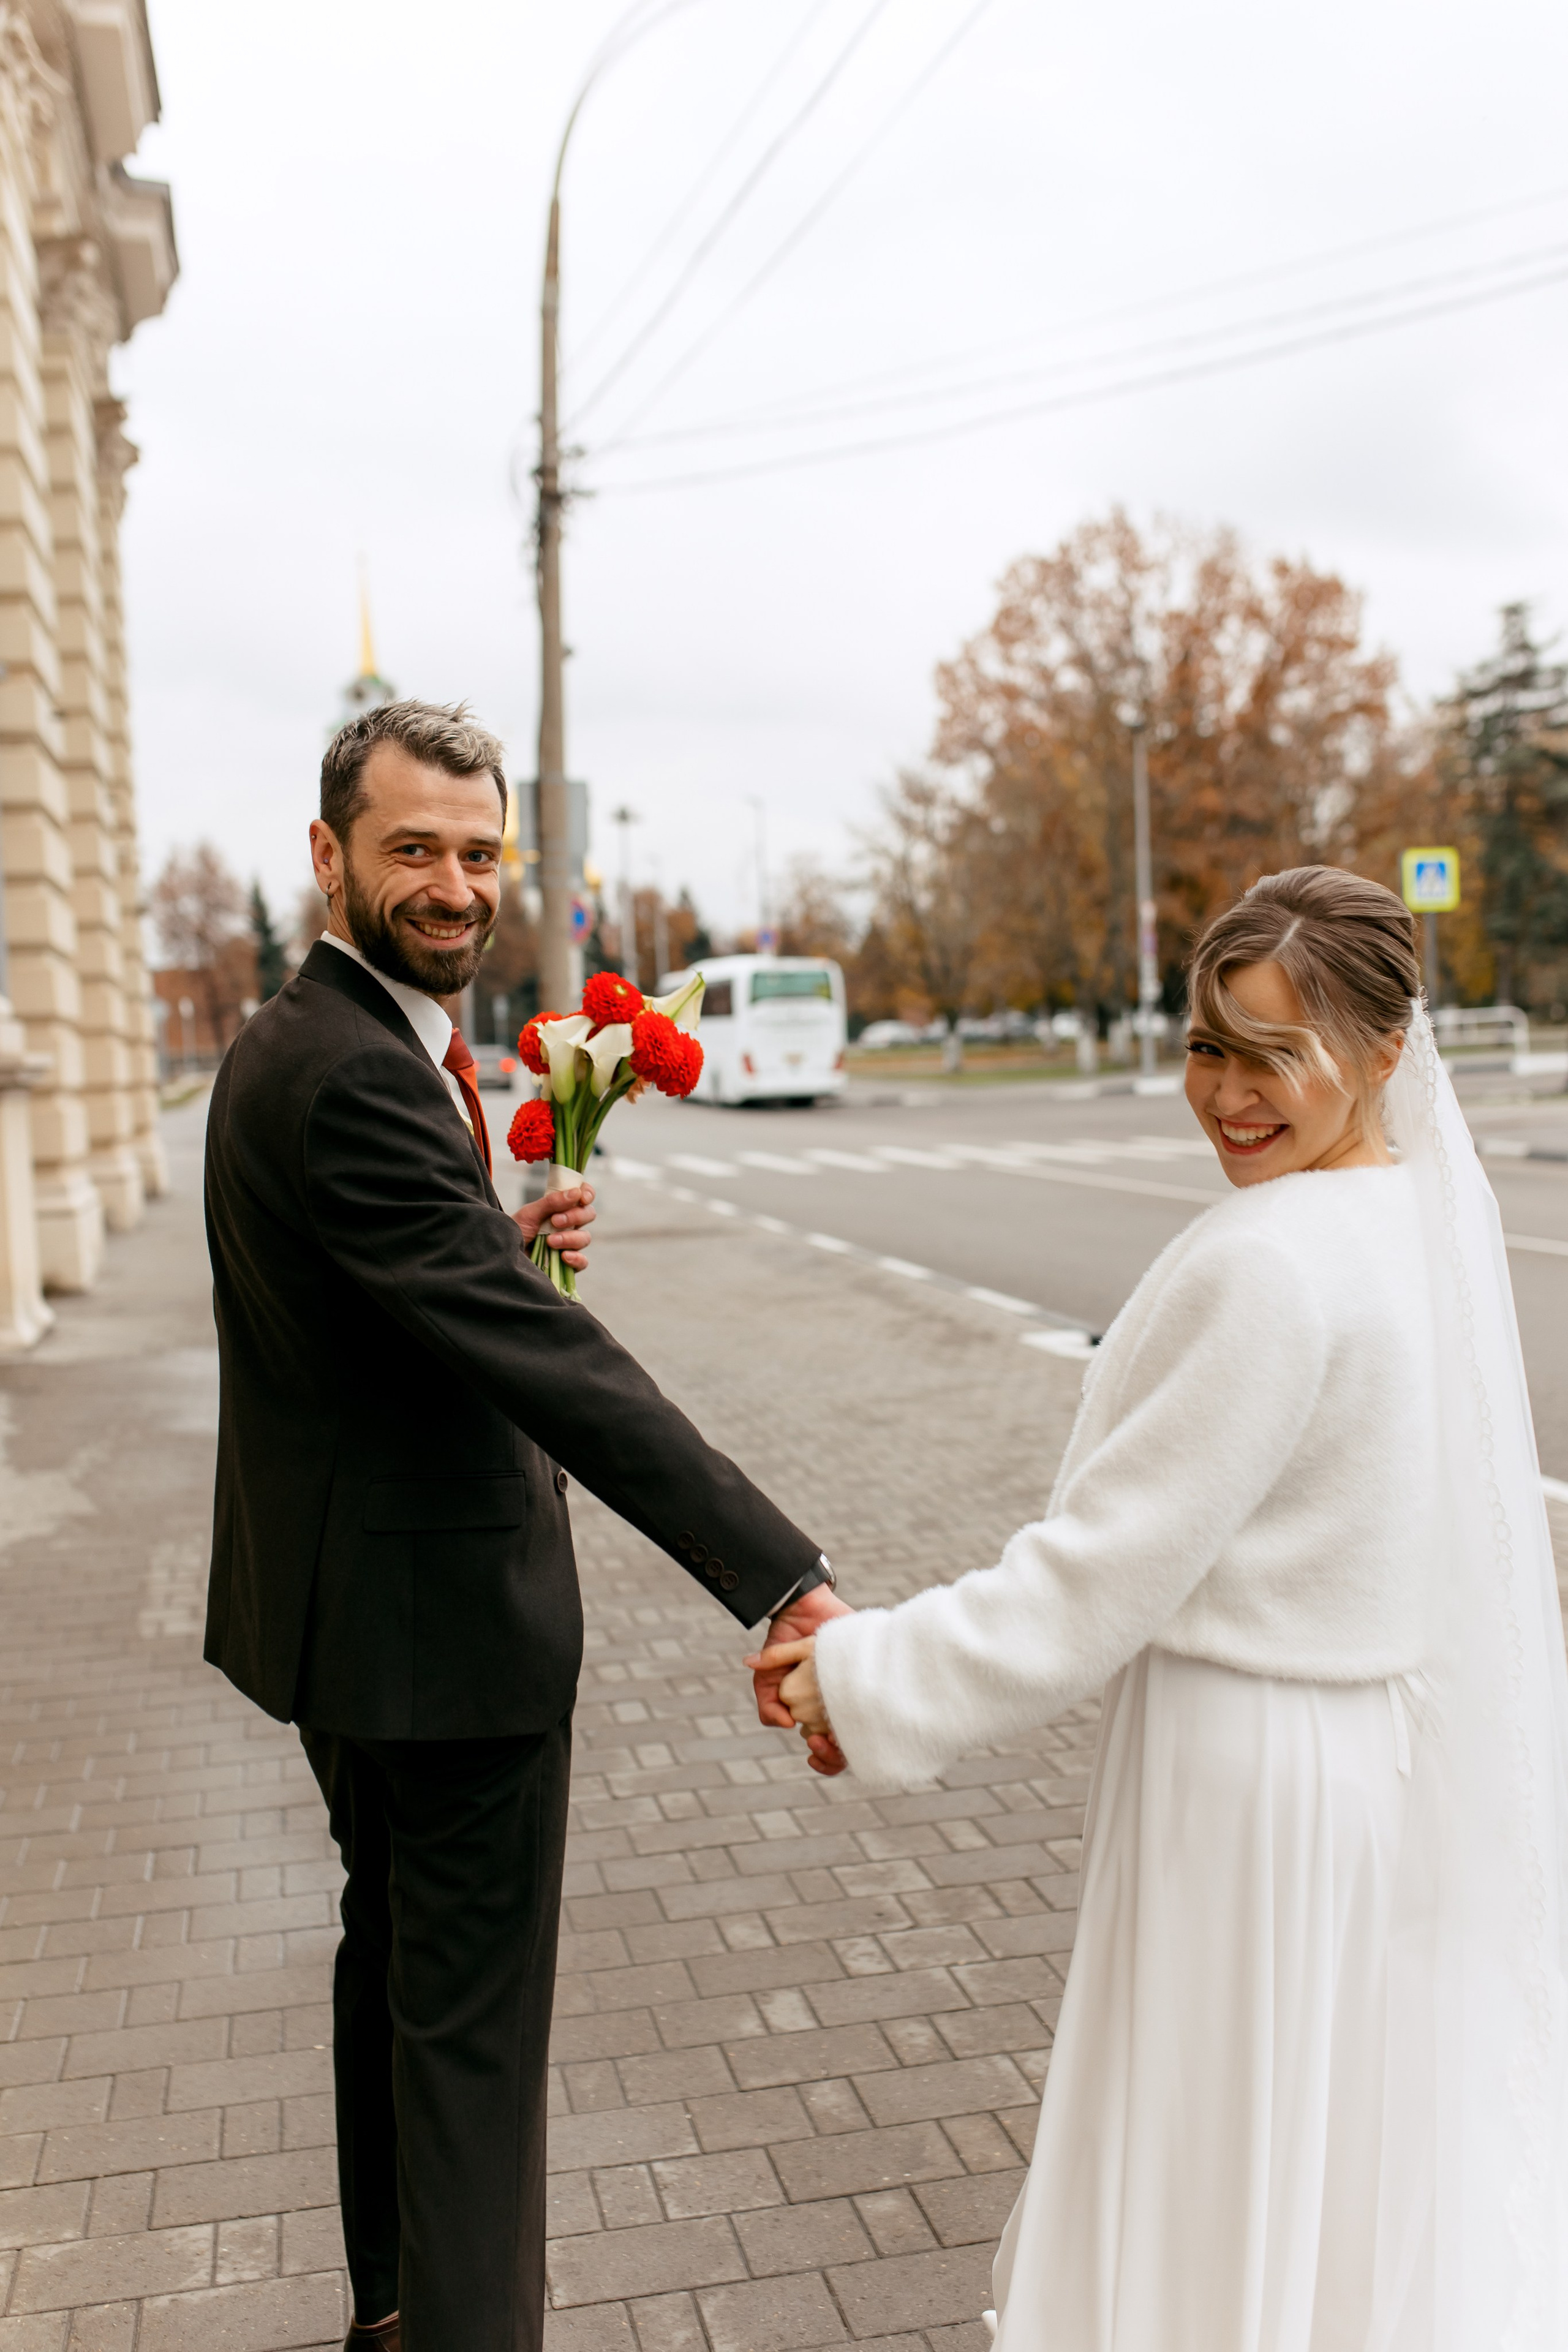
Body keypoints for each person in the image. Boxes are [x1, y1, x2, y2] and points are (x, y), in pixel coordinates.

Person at [755, 865, 1568, 2350]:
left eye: (1274, 1054)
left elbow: (1092, 1578)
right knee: (1318, 2156)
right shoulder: (1414, 1225)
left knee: (1206, 2151)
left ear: (1385, 1053)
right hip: (1365, 1768)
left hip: (1244, 1783)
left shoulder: (1269, 1263)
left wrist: (865, 1680)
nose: (1228, 1095)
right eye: (1208, 1045)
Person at [202, 700, 851, 2352]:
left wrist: (493, 1241)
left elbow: (411, 1299)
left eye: (479, 852)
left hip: (358, 1623)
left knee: (400, 1984)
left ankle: (399, 2311)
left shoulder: (322, 1045)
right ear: (330, 853)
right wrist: (775, 1570)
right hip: (443, 1648)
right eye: (413, 847)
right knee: (473, 2047)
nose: (453, 883)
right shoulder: (354, 1070)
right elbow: (548, 1365)